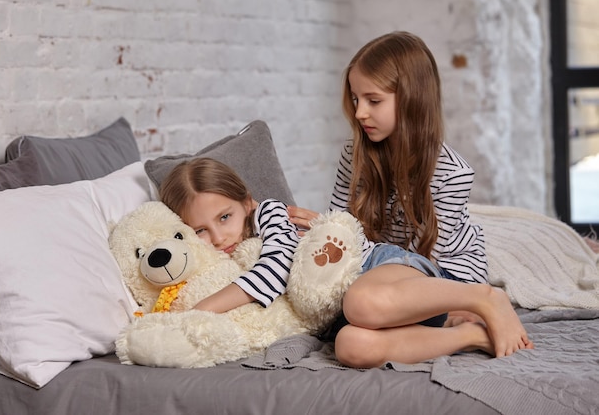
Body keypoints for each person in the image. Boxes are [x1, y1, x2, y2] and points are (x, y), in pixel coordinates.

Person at [288, 31, 534, 368]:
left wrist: (347, 238)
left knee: (361, 303)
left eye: (373, 101)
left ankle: (486, 298)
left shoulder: (450, 171)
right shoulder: (354, 155)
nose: (360, 113)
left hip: (438, 279)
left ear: (412, 100)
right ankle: (473, 337)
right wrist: (324, 230)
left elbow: (430, 261)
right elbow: (345, 234)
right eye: (356, 99)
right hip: (377, 277)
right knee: (350, 345)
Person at [159, 157, 299, 314]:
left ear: (246, 203)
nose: (218, 239)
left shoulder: (270, 212)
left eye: (224, 217)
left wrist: (200, 311)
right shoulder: (193, 257)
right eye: (200, 230)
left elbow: (281, 265)